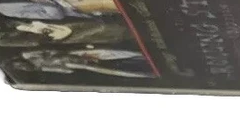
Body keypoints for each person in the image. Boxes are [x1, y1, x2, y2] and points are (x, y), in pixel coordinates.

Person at [0, 19, 130, 47]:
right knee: (95, 33)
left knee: (89, 25)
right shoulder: (1, 40)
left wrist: (21, 25)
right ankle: (127, 35)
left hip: (51, 27)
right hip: (53, 37)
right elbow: (30, 42)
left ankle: (124, 28)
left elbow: (18, 23)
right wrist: (40, 36)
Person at [8, 49, 154, 78]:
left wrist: (76, 58)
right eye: (21, 69)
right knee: (109, 69)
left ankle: (144, 55)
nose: (23, 67)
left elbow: (52, 51)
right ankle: (144, 74)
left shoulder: (28, 55)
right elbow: (65, 71)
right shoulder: (38, 68)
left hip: (75, 54)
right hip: (76, 64)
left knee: (111, 54)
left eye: (19, 65)